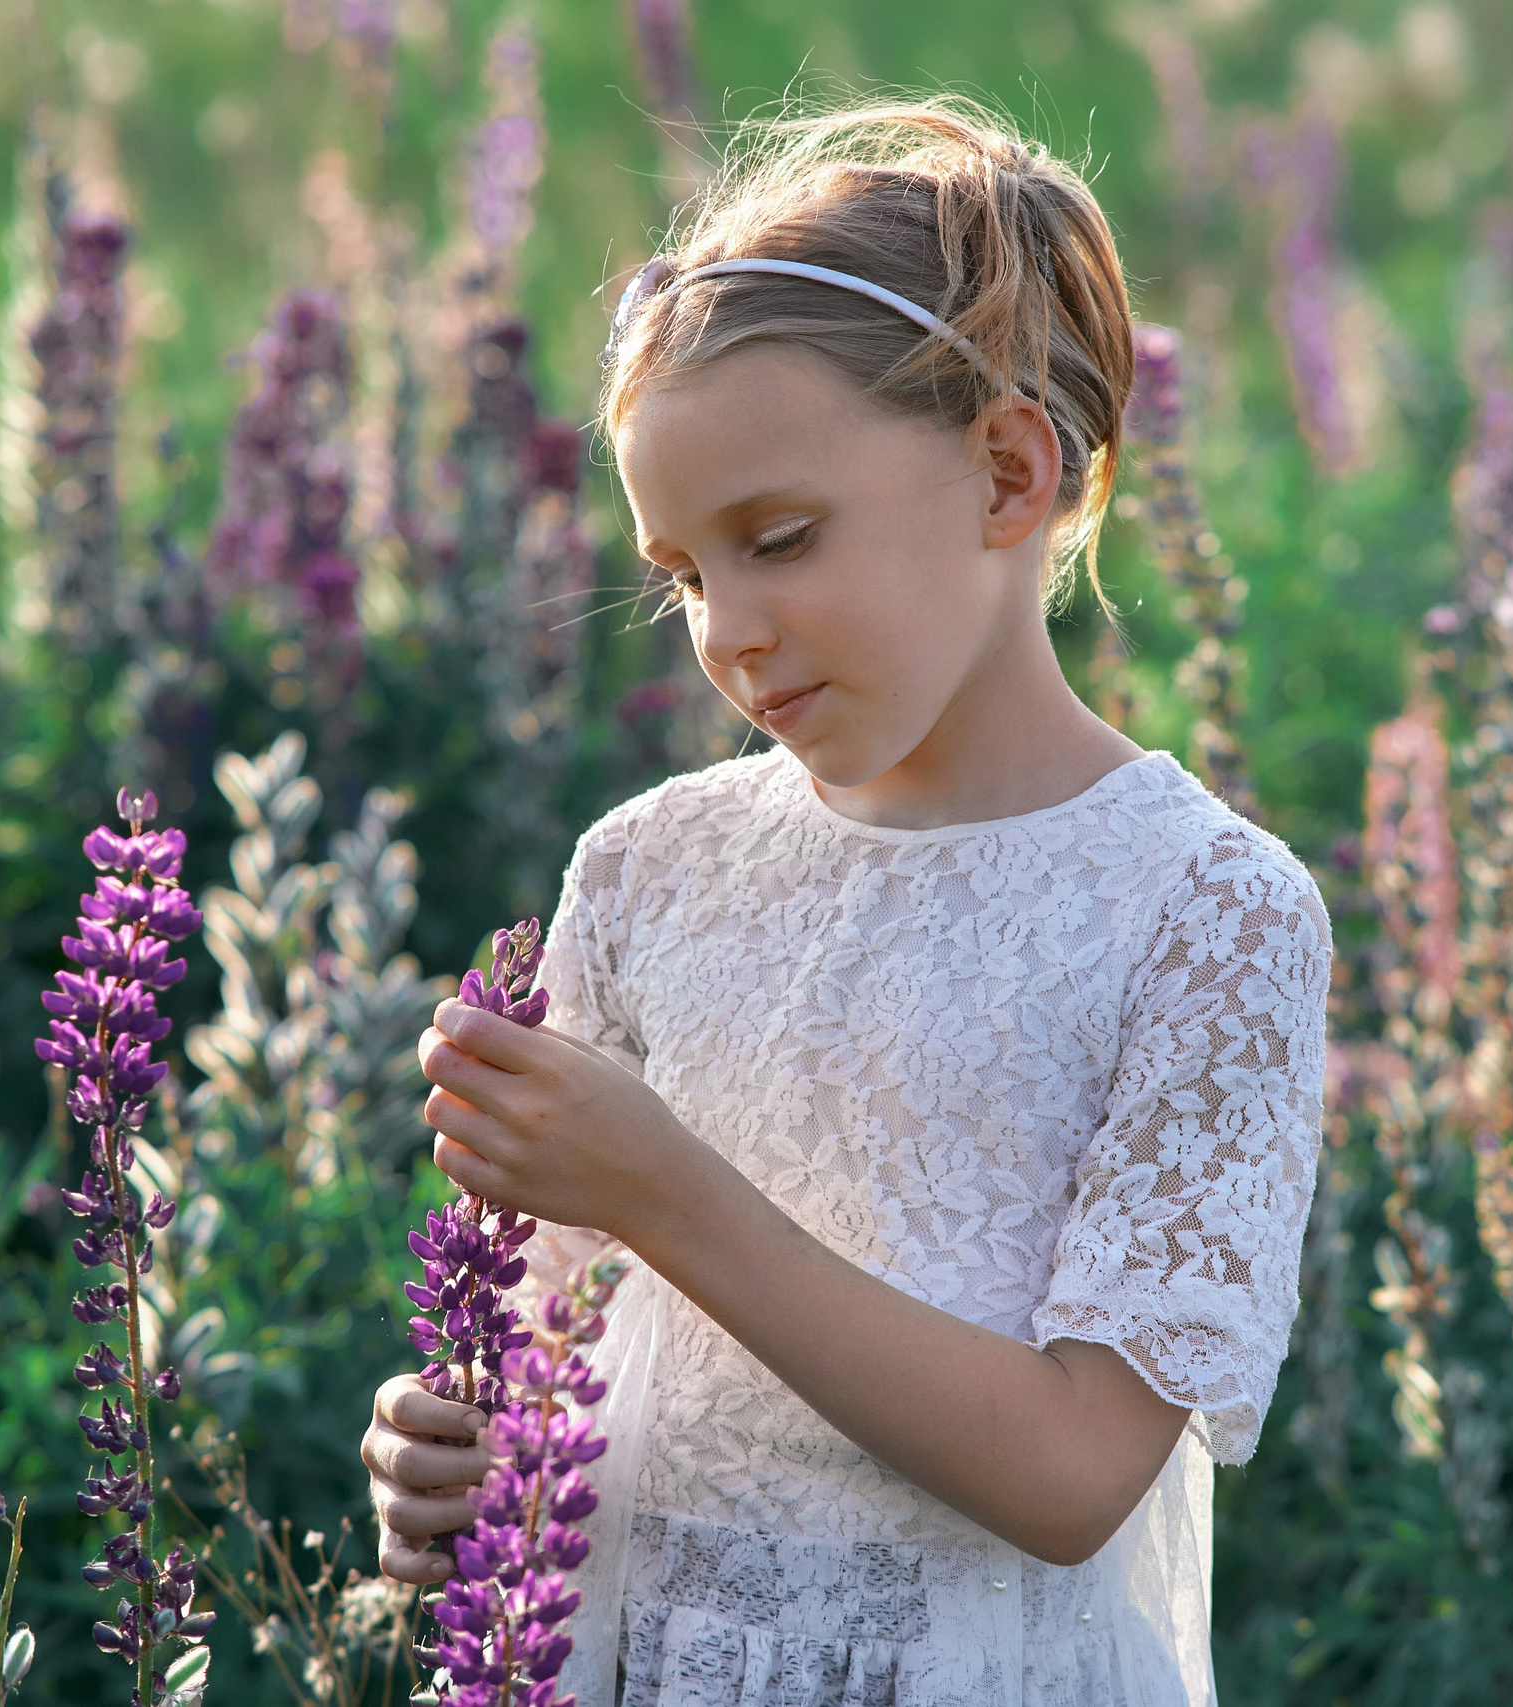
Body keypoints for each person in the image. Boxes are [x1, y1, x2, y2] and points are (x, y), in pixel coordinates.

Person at [361, 94, 1331, 1707]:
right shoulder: (648, 870)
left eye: (781, 539)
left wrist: (669, 1193)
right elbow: (556, 1359)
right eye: (681, 572)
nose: (727, 629)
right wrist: (448, 1451)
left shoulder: (1206, 909)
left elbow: (1077, 1474)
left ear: (1010, 472)